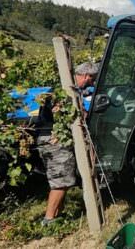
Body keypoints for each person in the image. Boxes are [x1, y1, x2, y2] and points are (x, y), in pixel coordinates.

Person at [37, 61, 99, 226]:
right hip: (54, 140)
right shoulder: (66, 93)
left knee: (62, 179)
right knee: (61, 180)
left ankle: (58, 215)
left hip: (50, 138)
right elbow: (75, 116)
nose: (92, 84)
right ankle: (49, 220)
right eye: (92, 80)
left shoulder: (63, 88)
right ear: (86, 76)